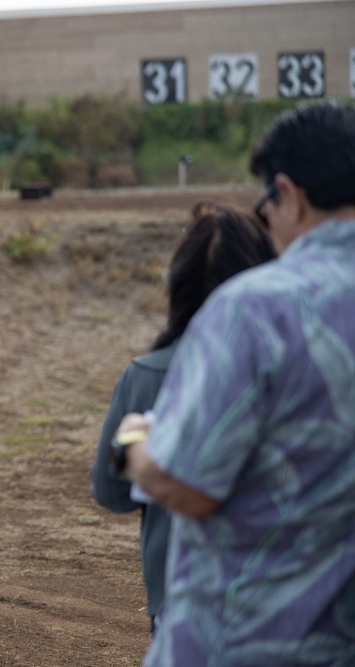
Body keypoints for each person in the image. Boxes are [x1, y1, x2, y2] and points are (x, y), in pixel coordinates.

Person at [116, 100, 355, 665]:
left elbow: (187, 487)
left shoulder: (258, 308)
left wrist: (136, 445)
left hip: (247, 641)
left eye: (265, 203)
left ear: (289, 194)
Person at [89, 201, 276, 632]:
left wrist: (133, 447)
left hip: (181, 602)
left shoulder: (146, 375)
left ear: (179, 283)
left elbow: (110, 492)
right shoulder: (299, 366)